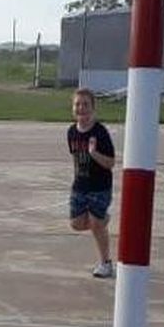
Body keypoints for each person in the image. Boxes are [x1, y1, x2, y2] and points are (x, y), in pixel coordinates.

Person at [66, 88, 117, 279]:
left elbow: (111, 163)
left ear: (93, 108)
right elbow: (75, 159)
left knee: (95, 225)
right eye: (77, 104)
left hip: (100, 187)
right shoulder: (71, 132)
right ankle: (103, 219)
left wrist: (94, 154)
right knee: (76, 224)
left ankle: (106, 263)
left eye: (85, 104)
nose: (81, 108)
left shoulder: (100, 132)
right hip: (80, 186)